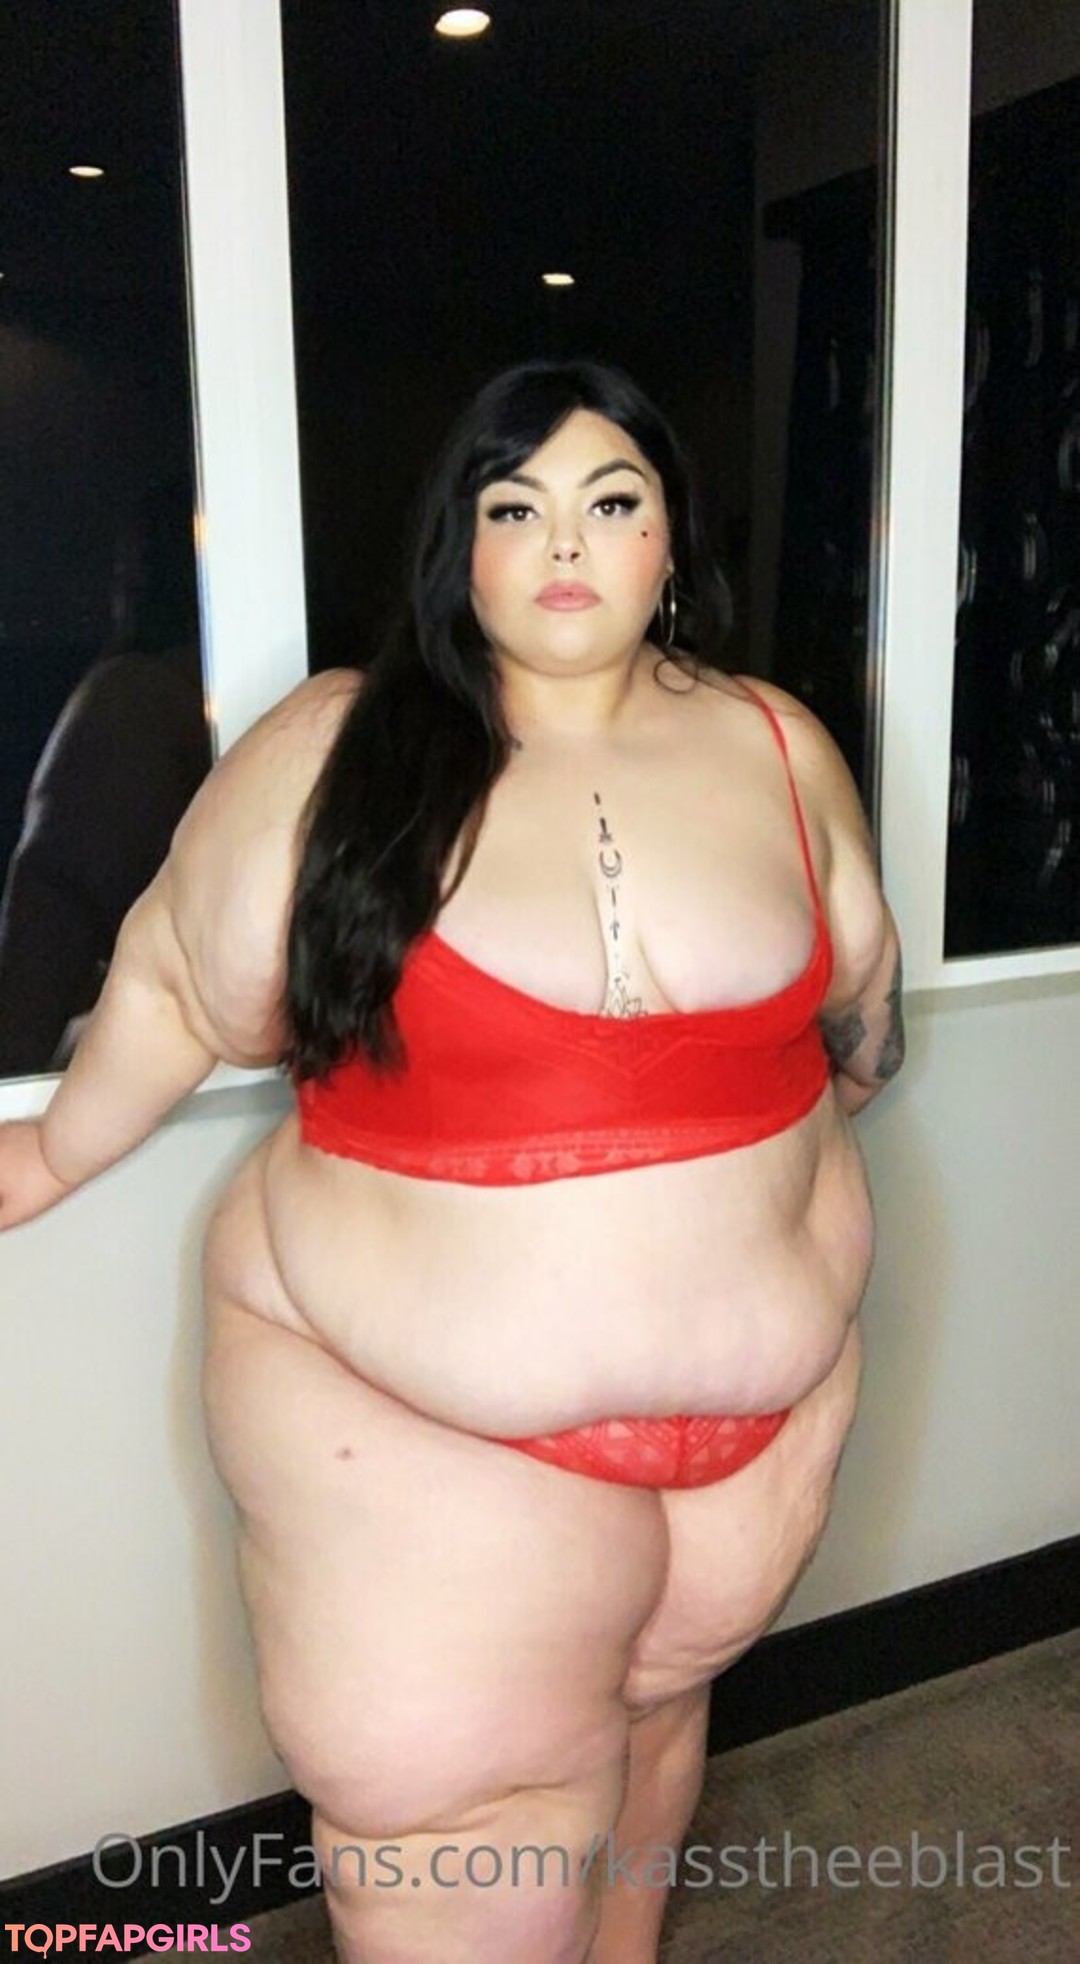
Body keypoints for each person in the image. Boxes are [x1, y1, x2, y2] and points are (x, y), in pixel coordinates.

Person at [0, 360, 903, 1964]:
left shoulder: (777, 742)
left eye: (610, 502)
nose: (565, 543)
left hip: (757, 1436)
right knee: (468, 1851)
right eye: (515, 506)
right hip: (428, 1443)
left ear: (670, 541)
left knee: (655, 1742)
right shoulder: (340, 750)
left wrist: (765, 1179)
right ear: (459, 547)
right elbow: (174, 985)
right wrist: (50, 1157)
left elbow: (860, 1001)